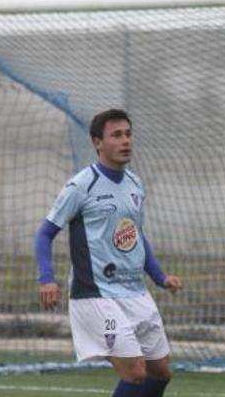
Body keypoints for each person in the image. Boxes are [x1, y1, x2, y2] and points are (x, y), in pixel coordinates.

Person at [35, 109, 182, 397]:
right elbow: (44, 233)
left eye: (128, 134)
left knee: (161, 372)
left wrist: (160, 277)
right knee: (135, 372)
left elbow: (137, 236)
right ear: (97, 143)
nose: (125, 141)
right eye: (116, 135)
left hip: (135, 292)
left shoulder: (135, 184)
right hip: (95, 295)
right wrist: (46, 277)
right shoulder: (81, 185)